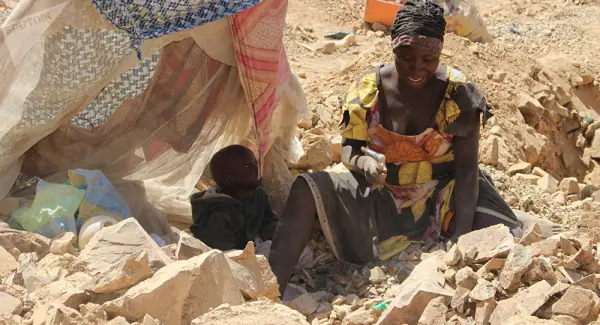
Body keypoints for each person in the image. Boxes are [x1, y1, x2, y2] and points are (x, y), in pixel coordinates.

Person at [268, 0, 560, 295]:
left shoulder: (458, 95)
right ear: (393, 47)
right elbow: (349, 150)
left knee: (502, 237)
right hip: (381, 195)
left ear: (441, 51)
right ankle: (271, 288)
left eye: (429, 58)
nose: (418, 67)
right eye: (406, 56)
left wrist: (461, 238)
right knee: (306, 188)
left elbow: (468, 170)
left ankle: (536, 232)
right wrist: (365, 164)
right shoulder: (367, 90)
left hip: (441, 196)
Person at [190, 145, 278, 251]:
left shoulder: (259, 195)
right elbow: (222, 250)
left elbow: (268, 221)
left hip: (252, 242)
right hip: (228, 253)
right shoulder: (219, 213)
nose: (256, 168)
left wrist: (277, 237)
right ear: (230, 180)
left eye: (255, 163)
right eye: (247, 167)